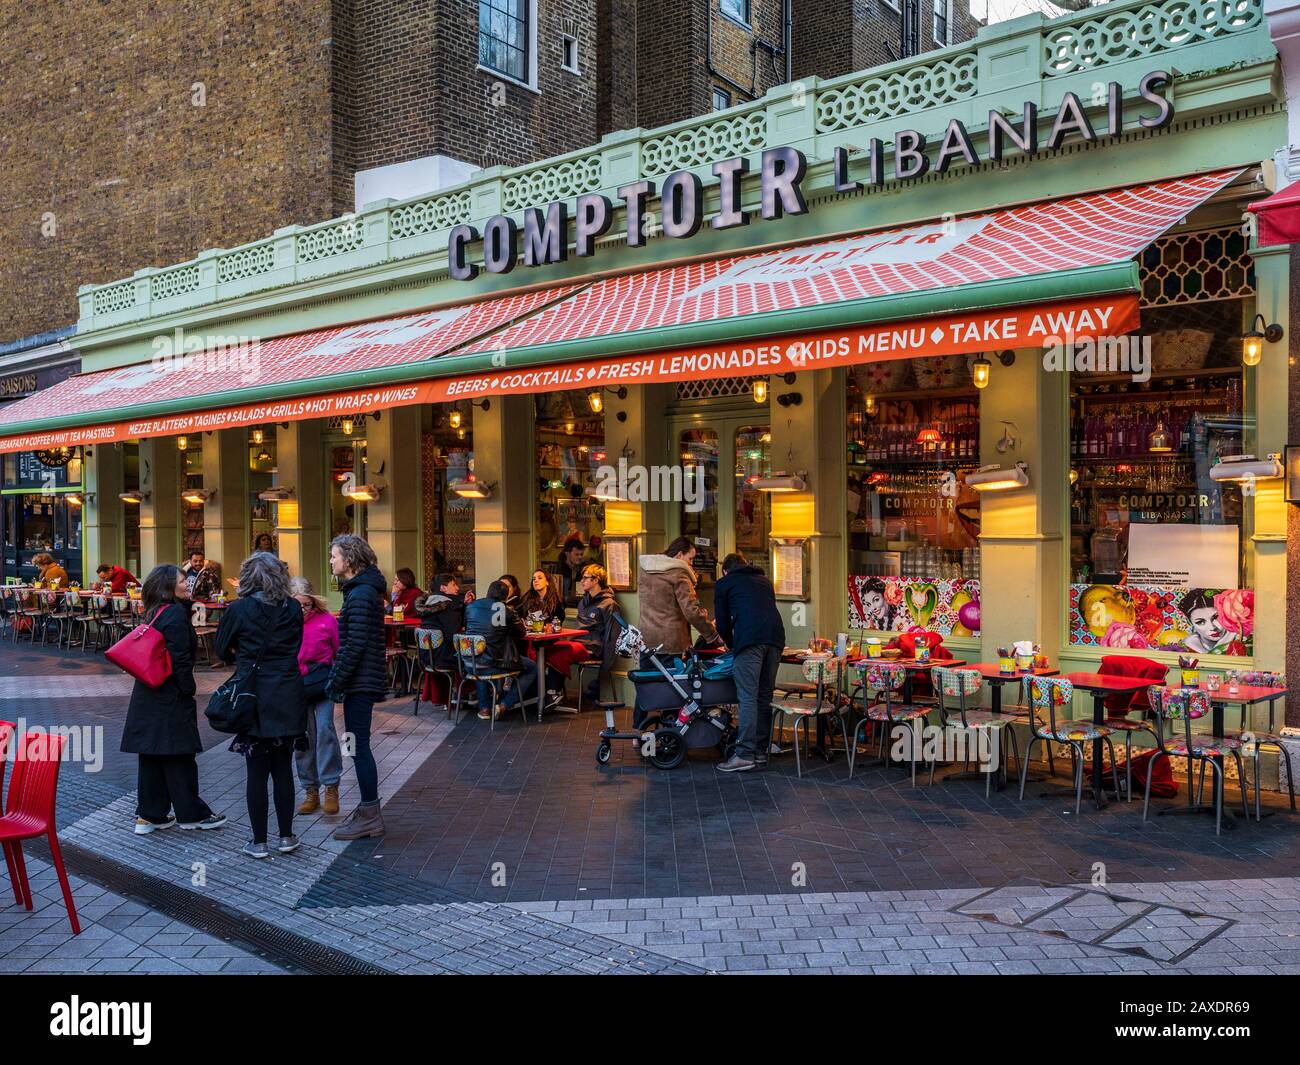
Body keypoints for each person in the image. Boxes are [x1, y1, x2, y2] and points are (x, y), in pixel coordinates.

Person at [214, 552, 308, 859]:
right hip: (287, 691)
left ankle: (258, 841)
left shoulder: (239, 609)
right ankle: (287, 836)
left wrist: (242, 654)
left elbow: (220, 649)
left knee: (256, 771)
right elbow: (296, 644)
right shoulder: (292, 607)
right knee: (283, 767)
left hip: (253, 695)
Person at [120, 565, 227, 834]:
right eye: (182, 580)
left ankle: (149, 815)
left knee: (152, 756)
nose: (188, 583)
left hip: (148, 692)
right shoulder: (176, 616)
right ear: (169, 585)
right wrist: (187, 689)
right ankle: (192, 814)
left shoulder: (155, 611)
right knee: (179, 755)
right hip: (170, 695)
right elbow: (180, 660)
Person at [326, 534, 388, 840]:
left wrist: (335, 681)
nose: (331, 561)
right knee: (356, 745)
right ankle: (367, 810)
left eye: (335, 556)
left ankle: (369, 813)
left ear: (350, 559)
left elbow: (355, 645)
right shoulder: (361, 591)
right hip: (361, 679)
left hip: (360, 682)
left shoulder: (361, 594)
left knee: (358, 746)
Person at [712, 553, 786, 773]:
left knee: (747, 697)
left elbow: (723, 622)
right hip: (775, 639)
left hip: (750, 641)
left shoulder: (724, 583)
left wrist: (731, 644)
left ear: (726, 570)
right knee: (764, 697)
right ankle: (760, 752)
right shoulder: (764, 581)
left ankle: (744, 754)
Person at [291, 577, 342, 817]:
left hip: (322, 683)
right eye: (297, 604)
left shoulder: (327, 621)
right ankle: (310, 789)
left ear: (314, 603)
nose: (302, 610)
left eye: (306, 604)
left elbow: (338, 651)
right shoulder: (283, 623)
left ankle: (331, 786)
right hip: (296, 686)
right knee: (302, 737)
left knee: (325, 730)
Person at [636, 536, 718, 655]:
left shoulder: (645, 569)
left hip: (646, 640)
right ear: (679, 555)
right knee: (670, 673)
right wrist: (712, 635)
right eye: (690, 559)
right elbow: (691, 611)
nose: (691, 563)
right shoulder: (679, 574)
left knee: (648, 673)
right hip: (671, 642)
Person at [464, 579, 528, 719]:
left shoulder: (471, 607)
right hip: (494, 663)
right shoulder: (506, 610)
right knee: (532, 667)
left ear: (488, 592)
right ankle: (504, 705)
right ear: (506, 597)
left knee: (480, 659)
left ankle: (485, 709)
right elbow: (521, 633)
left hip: (468, 663)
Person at [414, 572, 471, 709]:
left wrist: (462, 605)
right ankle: (467, 695)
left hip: (426, 657)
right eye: (454, 584)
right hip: (443, 657)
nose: (457, 588)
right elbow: (453, 633)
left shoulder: (428, 604)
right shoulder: (447, 606)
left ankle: (451, 696)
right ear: (443, 588)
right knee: (472, 657)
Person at [574, 564, 624, 704]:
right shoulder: (583, 603)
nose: (582, 581)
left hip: (594, 647)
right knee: (552, 651)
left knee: (561, 651)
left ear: (596, 580)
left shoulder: (609, 604)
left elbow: (613, 635)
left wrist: (606, 665)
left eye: (585, 578)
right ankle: (553, 692)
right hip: (578, 642)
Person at [558, 538, 590, 606]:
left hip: (580, 605)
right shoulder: (559, 569)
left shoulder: (584, 569)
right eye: (576, 554)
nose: (580, 557)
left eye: (581, 554)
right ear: (567, 554)